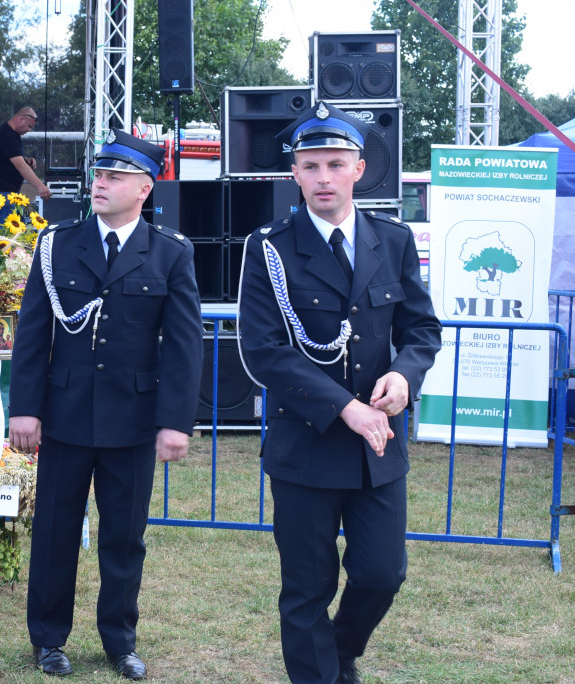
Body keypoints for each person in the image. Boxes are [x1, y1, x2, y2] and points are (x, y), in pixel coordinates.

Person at [236, 101, 442, 684]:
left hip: (378, 448)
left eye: (334, 163)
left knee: (383, 574)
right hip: (307, 445)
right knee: (307, 585)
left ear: (359, 167)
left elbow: (421, 329)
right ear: (294, 173)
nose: (322, 177)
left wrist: (405, 374)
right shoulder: (269, 249)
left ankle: (337, 650)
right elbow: (266, 349)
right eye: (310, 165)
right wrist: (343, 406)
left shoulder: (392, 240)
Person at [9, 129, 203, 680]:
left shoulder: (170, 253)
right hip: (65, 414)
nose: (101, 183)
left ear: (145, 187)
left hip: (134, 421)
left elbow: (184, 346)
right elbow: (32, 333)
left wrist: (174, 422)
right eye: (99, 174)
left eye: (115, 177)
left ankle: (119, 641)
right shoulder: (57, 245)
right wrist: (25, 407)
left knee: (124, 537)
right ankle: (48, 640)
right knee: (54, 532)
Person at [0, 107, 52, 219]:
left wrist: (26, 159)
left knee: (17, 226)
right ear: (21, 118)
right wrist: (40, 186)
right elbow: (20, 165)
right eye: (29, 126)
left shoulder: (12, 135)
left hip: (9, 192)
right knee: (4, 229)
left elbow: (11, 157)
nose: (29, 130)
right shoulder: (6, 135)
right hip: (0, 193)